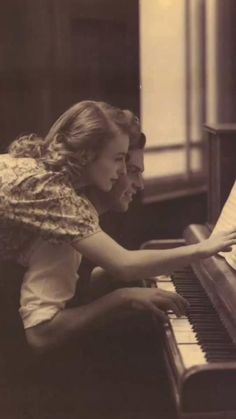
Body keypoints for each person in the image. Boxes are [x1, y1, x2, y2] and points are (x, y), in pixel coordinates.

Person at [0, 100, 236, 355]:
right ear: (86, 154)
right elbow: (124, 265)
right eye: (119, 160)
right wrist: (203, 249)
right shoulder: (58, 201)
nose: (123, 171)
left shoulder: (37, 168)